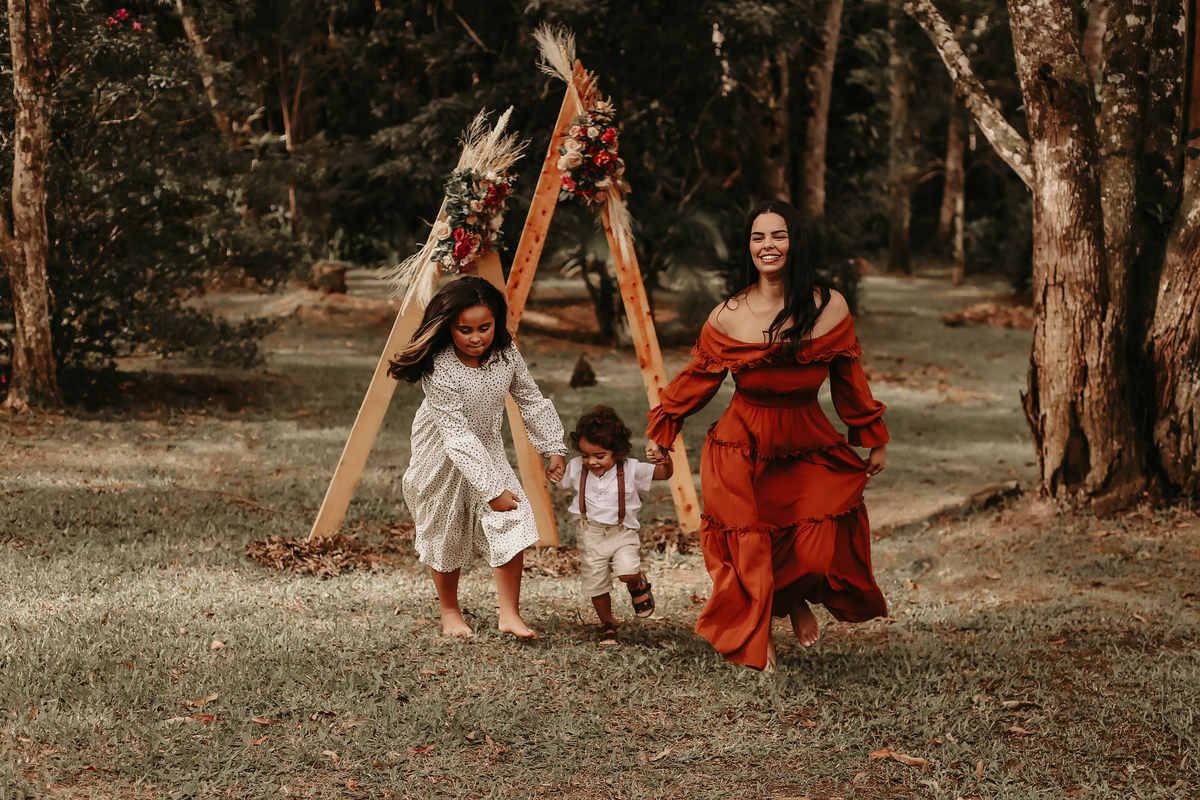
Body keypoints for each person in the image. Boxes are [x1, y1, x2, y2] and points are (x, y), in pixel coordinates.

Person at [645, 200, 889, 672]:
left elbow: (849, 377)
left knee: (814, 553)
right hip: (742, 444)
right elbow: (698, 379)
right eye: (758, 237)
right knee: (750, 547)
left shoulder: (830, 306)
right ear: (749, 247)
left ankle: (791, 599)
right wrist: (663, 428)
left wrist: (871, 435)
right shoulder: (728, 315)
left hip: (807, 440)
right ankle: (758, 641)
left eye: (778, 235)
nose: (767, 245)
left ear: (795, 242)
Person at [389, 276, 567, 640]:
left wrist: (552, 447)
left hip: (486, 446)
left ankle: (510, 614)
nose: (475, 338)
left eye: (484, 328)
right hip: (443, 452)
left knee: (514, 518)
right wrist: (491, 489)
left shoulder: (506, 355)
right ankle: (450, 612)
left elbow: (530, 398)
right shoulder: (439, 367)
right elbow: (456, 436)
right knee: (445, 528)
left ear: (496, 322)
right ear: (448, 327)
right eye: (464, 329)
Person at [553, 406, 673, 645]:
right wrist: (553, 471)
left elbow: (663, 474)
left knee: (627, 571)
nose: (591, 461)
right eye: (586, 455)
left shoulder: (630, 468)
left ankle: (637, 583)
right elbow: (560, 479)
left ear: (617, 452)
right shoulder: (576, 467)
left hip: (621, 532)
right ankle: (607, 623)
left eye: (600, 456)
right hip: (590, 534)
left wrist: (665, 460)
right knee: (596, 583)